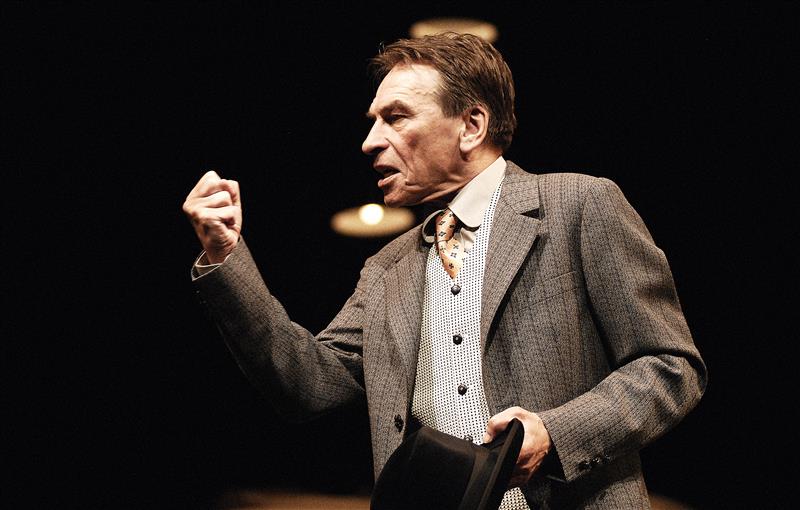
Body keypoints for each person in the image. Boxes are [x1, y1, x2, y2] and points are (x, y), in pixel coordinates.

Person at [183, 32, 707, 509]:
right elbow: (306, 384)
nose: (370, 141)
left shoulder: (578, 205)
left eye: (396, 117)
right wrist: (225, 255)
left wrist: (555, 434)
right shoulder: (387, 267)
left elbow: (671, 365)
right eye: (373, 122)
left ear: (471, 126)